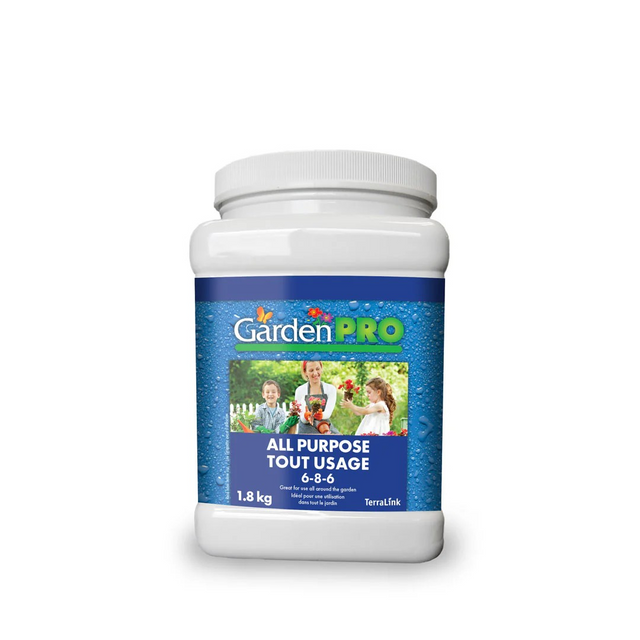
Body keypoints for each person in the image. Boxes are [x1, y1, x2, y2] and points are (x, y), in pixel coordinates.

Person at [294, 361, 340, 435]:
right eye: (311, 370)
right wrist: (306, 416)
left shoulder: (330, 389)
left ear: (321, 369)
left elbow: (328, 413)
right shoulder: (300, 391)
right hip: (306, 428)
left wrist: (321, 415)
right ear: (305, 372)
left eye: (317, 369)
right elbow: (302, 418)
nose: (315, 373)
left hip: (324, 425)